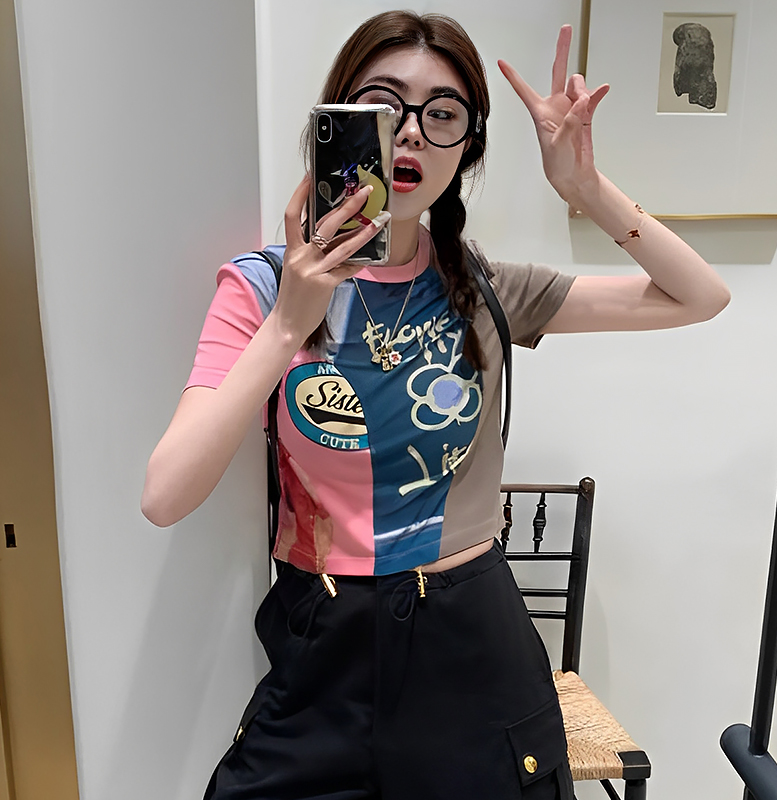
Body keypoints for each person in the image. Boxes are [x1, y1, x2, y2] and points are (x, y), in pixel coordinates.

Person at [141, 10, 730, 800]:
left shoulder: (486, 287)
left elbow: (699, 296)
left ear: (468, 148)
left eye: (442, 113)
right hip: (324, 643)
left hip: (473, 646)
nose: (411, 132)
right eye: (383, 106)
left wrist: (584, 187)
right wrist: (286, 325)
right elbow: (166, 494)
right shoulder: (260, 288)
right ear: (336, 124)